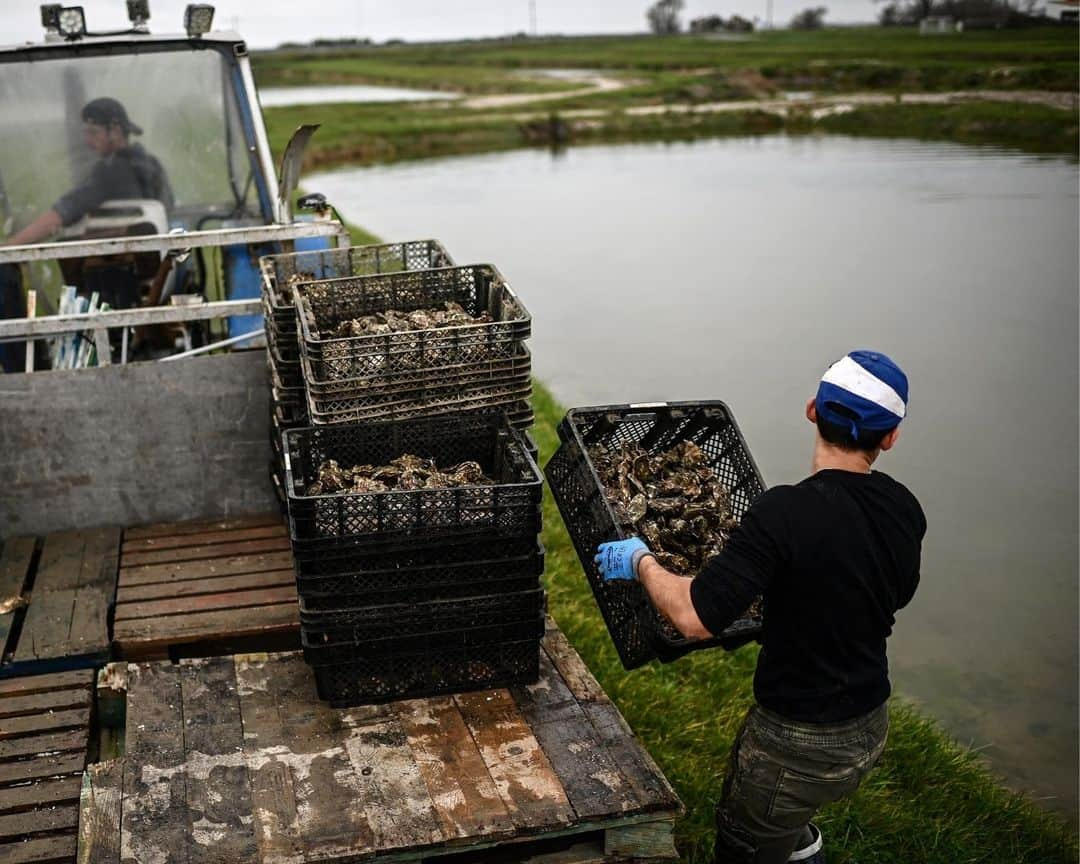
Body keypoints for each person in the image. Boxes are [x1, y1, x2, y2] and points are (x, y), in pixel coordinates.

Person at [595, 350, 926, 864]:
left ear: (813, 409)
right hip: (868, 728)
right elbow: (893, 595)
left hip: (796, 745)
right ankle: (798, 844)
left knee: (746, 845)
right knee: (786, 824)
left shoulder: (784, 512)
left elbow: (692, 618)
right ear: (890, 437)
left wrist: (641, 561)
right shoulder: (905, 507)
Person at [4, 97, 173, 246]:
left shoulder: (110, 171)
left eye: (93, 133)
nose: (88, 141)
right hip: (160, 265)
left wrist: (10, 246)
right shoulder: (151, 164)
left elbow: (63, 213)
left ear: (115, 131)